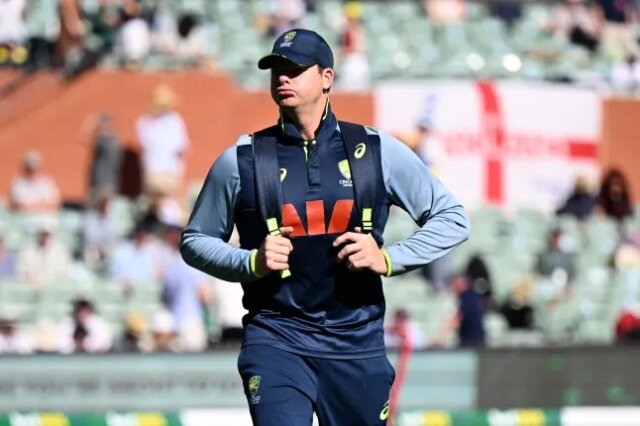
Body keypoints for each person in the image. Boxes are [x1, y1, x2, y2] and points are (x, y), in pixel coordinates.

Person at [181, 29, 469, 426]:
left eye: (295, 69)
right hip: (276, 338)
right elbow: (195, 240)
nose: (283, 77)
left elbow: (452, 218)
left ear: (327, 78)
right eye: (276, 70)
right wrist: (250, 262)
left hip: (356, 343)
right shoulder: (241, 160)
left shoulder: (376, 150)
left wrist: (387, 259)